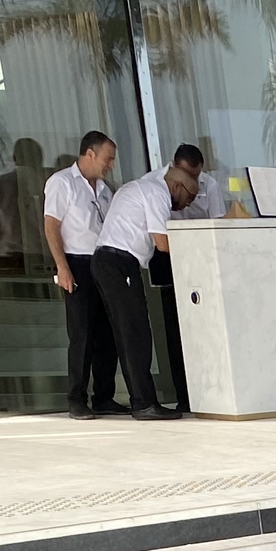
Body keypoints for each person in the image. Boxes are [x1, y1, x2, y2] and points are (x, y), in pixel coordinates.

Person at [89, 159, 196, 420]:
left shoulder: (137, 187)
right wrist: (197, 253)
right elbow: (162, 243)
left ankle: (141, 400)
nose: (186, 205)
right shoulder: (157, 193)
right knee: (136, 334)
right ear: (178, 186)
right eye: (188, 198)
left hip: (106, 260)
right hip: (120, 262)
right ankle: (144, 403)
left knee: (126, 334)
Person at [43, 131, 119, 418]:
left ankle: (104, 395)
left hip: (102, 262)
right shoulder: (62, 183)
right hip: (77, 261)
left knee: (108, 332)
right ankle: (77, 397)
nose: (110, 164)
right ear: (90, 154)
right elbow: (52, 226)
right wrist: (62, 266)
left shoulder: (104, 189)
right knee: (82, 333)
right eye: (107, 158)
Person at [149, 143, 222, 410]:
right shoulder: (153, 184)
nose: (191, 182)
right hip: (168, 256)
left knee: (207, 327)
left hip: (202, 257)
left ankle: (211, 392)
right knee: (174, 329)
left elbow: (218, 223)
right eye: (186, 175)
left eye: (196, 175)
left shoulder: (210, 185)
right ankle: (183, 395)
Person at [0, 138, 49, 273]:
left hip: (9, 258)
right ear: (39, 158)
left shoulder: (0, 184)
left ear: (14, 158)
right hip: (43, 255)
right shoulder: (49, 182)